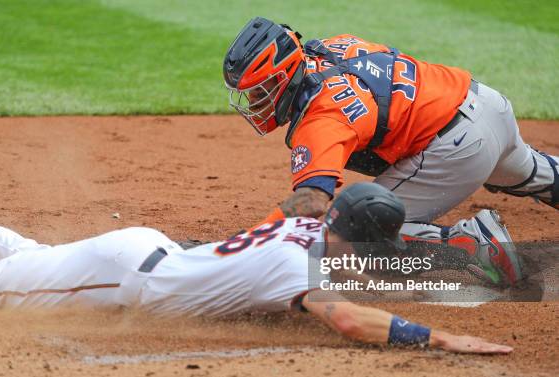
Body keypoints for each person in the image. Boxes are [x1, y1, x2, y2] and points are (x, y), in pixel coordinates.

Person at [0, 183, 510, 354]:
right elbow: (347, 321)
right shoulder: (295, 267)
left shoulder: (310, 226)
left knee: (22, 256)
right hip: (122, 278)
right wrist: (439, 336)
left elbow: (305, 207)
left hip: (137, 254)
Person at [223, 17, 557, 285]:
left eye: (259, 91)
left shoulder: (319, 121)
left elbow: (311, 202)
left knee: (356, 235)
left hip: (459, 149)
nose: (254, 103)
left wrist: (255, 238)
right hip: (487, 104)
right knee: (530, 171)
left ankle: (475, 245)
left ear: (283, 77)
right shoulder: (334, 45)